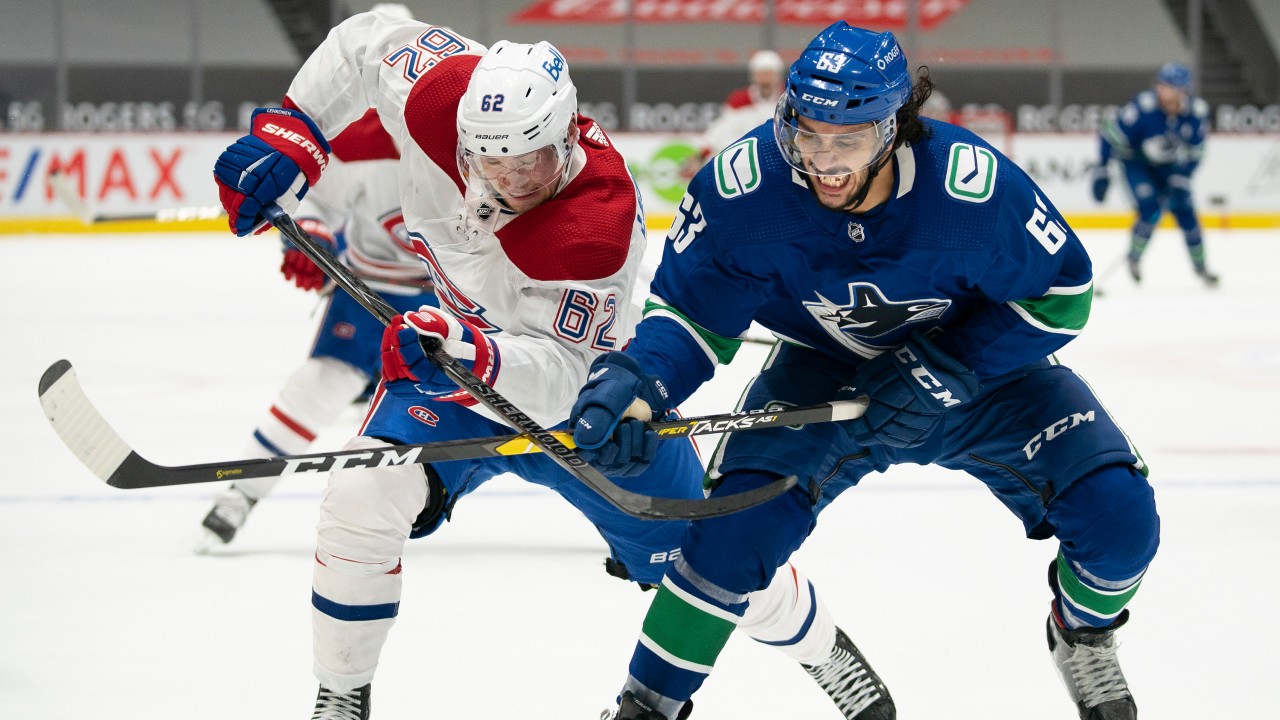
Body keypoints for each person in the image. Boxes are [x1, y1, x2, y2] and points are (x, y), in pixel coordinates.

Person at [212, 10, 892, 719]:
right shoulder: (440, 91)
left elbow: (567, 378)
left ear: (567, 133)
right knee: (360, 499)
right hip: (456, 367)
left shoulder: (593, 223)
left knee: (710, 562)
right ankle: (341, 695)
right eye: (491, 158)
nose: (512, 178)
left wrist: (468, 349)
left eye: (532, 158)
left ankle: (824, 651)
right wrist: (293, 130)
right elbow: (367, 37)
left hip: (593, 408)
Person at [571, 21, 1158, 720]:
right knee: (726, 541)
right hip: (824, 374)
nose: (822, 161)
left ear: (894, 128)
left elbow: (1063, 298)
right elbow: (692, 318)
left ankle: (1083, 635)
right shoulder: (745, 190)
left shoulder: (970, 190)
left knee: (1122, 519)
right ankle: (646, 704)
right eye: (807, 133)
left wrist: (954, 364)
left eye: (845, 140)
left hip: (984, 377)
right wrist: (638, 384)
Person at [198, 154, 437, 549]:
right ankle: (243, 493)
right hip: (370, 290)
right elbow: (315, 199)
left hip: (454, 299)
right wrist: (308, 234)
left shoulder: (473, 137)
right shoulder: (367, 139)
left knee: (505, 395)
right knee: (318, 386)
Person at [1091, 61, 1217, 287]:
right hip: (1136, 164)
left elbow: (1197, 151)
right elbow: (1109, 133)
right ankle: (1134, 258)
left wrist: (1184, 175)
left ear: (1182, 90)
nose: (1161, 89)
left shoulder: (1196, 112)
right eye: (1161, 84)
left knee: (1186, 211)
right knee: (1150, 208)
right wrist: (1101, 169)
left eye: (1168, 85)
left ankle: (1201, 268)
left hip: (1171, 167)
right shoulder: (1143, 108)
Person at [681, 49, 786, 178]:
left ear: (778, 75)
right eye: (761, 74)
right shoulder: (740, 100)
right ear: (753, 75)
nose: (765, 79)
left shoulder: (788, 99)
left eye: (769, 74)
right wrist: (701, 155)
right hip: (747, 163)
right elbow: (721, 130)